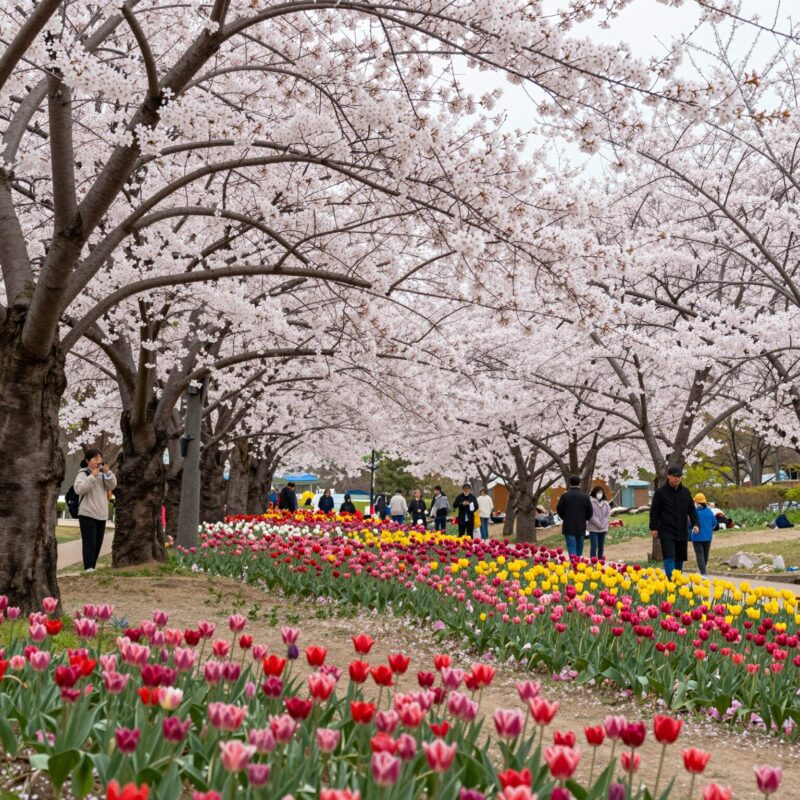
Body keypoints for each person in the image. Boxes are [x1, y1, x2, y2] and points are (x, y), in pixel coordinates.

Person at [649, 465, 699, 580]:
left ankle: (677, 580)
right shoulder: (660, 493)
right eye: (674, 476)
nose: (677, 478)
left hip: (682, 529)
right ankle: (671, 581)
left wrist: (696, 524)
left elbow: (691, 509)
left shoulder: (686, 492)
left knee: (680, 557)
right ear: (668, 477)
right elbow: (654, 511)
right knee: (669, 556)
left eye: (679, 476)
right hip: (666, 530)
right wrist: (653, 527)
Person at [73, 449, 117, 572]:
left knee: (98, 543)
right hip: (87, 514)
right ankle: (88, 567)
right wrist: (92, 477)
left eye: (100, 459)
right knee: (89, 542)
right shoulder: (82, 474)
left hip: (101, 514)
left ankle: (93, 566)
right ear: (88, 461)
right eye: (95, 459)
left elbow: (112, 486)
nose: (98, 461)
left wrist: (108, 474)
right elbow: (79, 490)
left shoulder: (103, 476)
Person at [556, 476, 593, 557]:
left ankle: (573, 565)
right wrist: (584, 518)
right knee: (580, 548)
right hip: (581, 525)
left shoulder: (565, 496)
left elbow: (559, 510)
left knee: (571, 547)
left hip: (568, 526)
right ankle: (578, 565)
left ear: (570, 483)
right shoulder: (585, 496)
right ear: (579, 483)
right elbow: (590, 512)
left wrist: (565, 517)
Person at [691, 493, 716, 576]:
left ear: (697, 503)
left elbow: (690, 524)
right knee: (705, 554)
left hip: (697, 537)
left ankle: (703, 573)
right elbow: (714, 524)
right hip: (708, 537)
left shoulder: (694, 513)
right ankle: (703, 571)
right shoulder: (709, 511)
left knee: (699, 554)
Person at [587, 486, 611, 559]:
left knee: (601, 545)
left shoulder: (606, 503)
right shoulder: (590, 502)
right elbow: (591, 515)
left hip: (603, 528)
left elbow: (607, 514)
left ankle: (600, 560)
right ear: (594, 493)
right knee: (594, 544)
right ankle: (593, 559)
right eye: (598, 492)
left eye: (601, 492)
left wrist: (603, 524)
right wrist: (598, 524)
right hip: (593, 528)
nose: (599, 494)